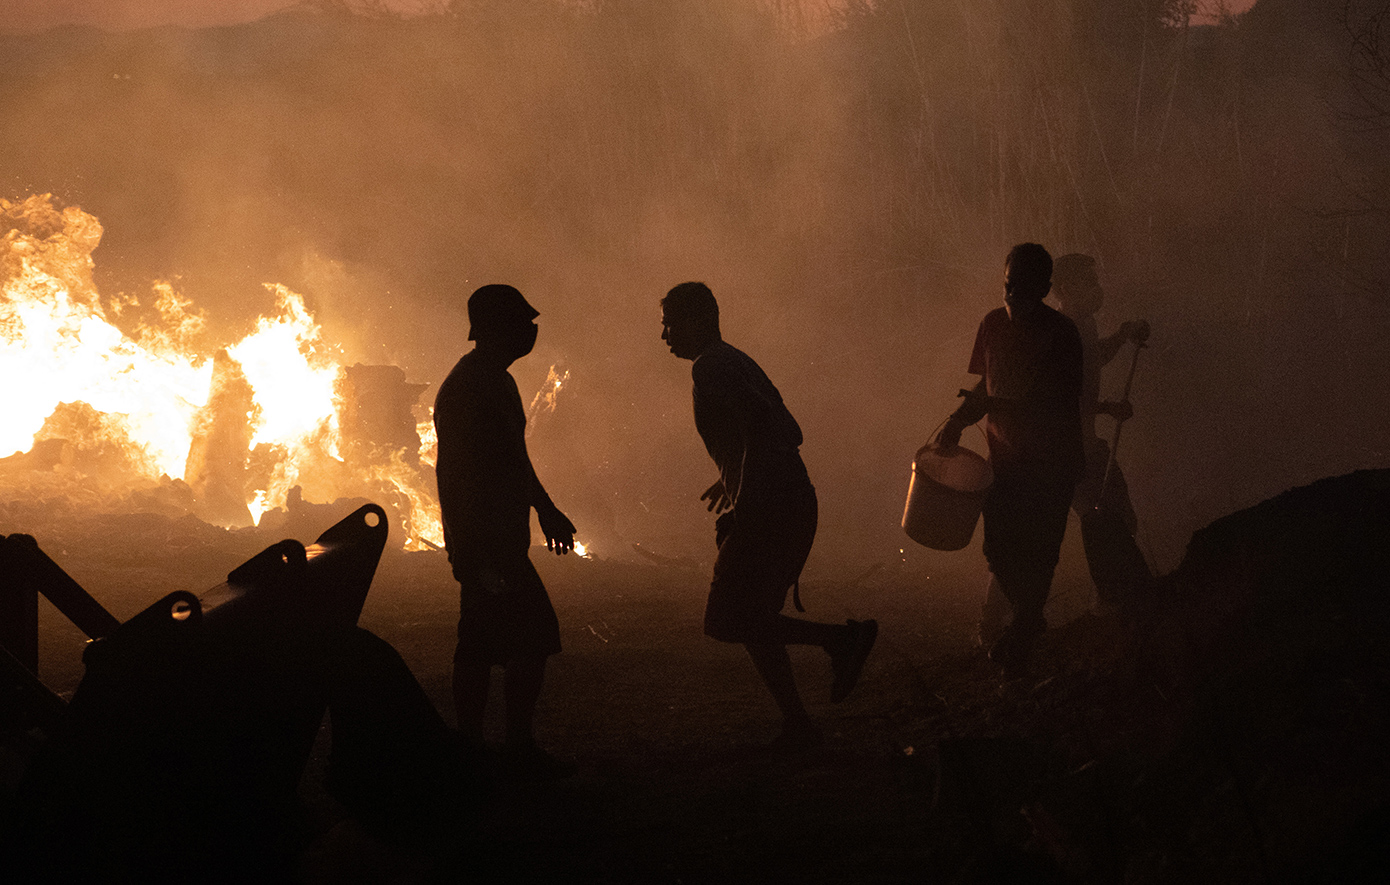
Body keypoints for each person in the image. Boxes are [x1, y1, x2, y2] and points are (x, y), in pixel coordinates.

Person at [661, 281, 878, 751]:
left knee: (723, 619)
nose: (665, 335)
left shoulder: (711, 367)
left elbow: (775, 429)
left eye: (670, 323)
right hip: (784, 501)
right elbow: (771, 429)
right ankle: (797, 722)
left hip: (773, 508)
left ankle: (840, 641)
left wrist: (749, 500)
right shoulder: (732, 360)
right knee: (756, 617)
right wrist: (733, 479)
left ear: (698, 320)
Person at [434, 284, 577, 779]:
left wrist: (545, 510)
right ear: (496, 329)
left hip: (493, 537)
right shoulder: (474, 386)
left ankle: (478, 747)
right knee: (528, 638)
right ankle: (506, 746)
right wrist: (474, 552)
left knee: (482, 641)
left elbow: (512, 460)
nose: (532, 330)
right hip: (487, 539)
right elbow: (461, 474)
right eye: (522, 322)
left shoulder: (491, 380)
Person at [935, 244, 1084, 674]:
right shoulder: (992, 325)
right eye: (1007, 286)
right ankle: (1027, 621)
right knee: (998, 547)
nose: (1013, 295)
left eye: (1023, 287)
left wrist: (997, 408)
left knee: (1039, 552)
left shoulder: (1061, 334)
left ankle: (1021, 639)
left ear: (1044, 289)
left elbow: (1058, 403)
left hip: (1051, 464)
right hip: (1005, 462)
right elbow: (986, 386)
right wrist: (958, 420)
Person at [1051, 253, 1153, 608]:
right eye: (1087, 282)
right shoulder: (1062, 332)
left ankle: (1108, 601)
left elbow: (1094, 358)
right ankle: (1113, 603)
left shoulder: (1083, 325)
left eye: (1096, 281)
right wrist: (1108, 408)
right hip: (1068, 449)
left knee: (1110, 518)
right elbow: (1062, 399)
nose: (1097, 289)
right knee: (1106, 519)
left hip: (1081, 444)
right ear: (1064, 289)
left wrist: (1123, 335)